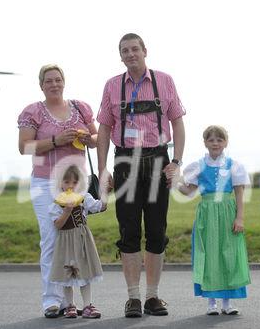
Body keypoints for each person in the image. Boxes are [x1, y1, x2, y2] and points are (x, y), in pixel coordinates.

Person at [96, 33, 186, 317]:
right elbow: (104, 131)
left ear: (145, 50)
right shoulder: (112, 86)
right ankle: (133, 298)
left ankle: (153, 296)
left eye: (135, 49)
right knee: (129, 231)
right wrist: (102, 170)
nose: (131, 54)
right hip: (125, 161)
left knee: (157, 231)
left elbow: (178, 123)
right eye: (125, 50)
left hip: (158, 158)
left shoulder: (165, 81)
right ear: (120, 56)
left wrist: (177, 162)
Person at [17, 64, 98, 318]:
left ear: (64, 82)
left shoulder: (81, 108)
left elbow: (98, 140)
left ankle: (72, 301)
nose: (54, 84)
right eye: (49, 80)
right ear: (41, 85)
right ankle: (52, 300)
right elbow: (24, 147)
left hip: (75, 183)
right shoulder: (33, 112)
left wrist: (88, 139)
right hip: (45, 184)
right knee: (51, 238)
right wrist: (56, 141)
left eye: (58, 79)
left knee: (74, 239)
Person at [177, 125, 251, 316]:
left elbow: (239, 194)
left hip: (227, 212)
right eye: (211, 140)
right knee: (209, 254)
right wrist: (176, 181)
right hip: (207, 213)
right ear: (205, 143)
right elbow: (189, 191)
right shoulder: (199, 166)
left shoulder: (234, 165)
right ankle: (211, 302)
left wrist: (240, 217)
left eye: (219, 140)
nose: (215, 143)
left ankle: (228, 302)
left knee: (228, 254)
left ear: (225, 142)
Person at [49, 164, 107, 319]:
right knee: (67, 274)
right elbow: (57, 224)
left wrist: (105, 193)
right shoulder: (57, 202)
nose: (70, 186)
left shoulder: (84, 198)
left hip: (82, 239)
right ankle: (70, 306)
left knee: (84, 272)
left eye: (74, 183)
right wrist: (67, 211)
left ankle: (88, 305)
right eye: (66, 182)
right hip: (65, 241)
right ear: (60, 183)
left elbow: (99, 207)